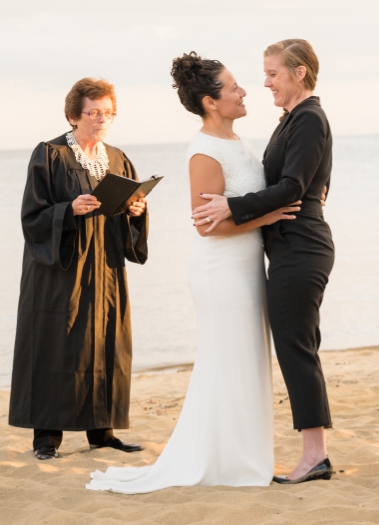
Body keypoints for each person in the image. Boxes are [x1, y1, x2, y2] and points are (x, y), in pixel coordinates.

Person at [88, 54, 300, 494]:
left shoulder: (237, 142)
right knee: (228, 361)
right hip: (221, 270)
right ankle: (229, 464)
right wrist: (270, 215)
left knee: (244, 362)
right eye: (233, 88)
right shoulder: (204, 151)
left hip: (245, 266)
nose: (244, 92)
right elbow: (207, 224)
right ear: (210, 101)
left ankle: (242, 460)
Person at [192, 39, 336, 484]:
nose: (265, 82)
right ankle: (315, 452)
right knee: (296, 345)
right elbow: (303, 183)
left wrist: (233, 208)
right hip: (290, 246)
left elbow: (293, 186)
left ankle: (315, 454)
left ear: (299, 73)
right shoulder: (293, 119)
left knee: (296, 348)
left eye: (272, 73)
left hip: (301, 247)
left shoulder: (309, 118)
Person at [9, 78, 148, 460]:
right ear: (74, 115)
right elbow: (31, 216)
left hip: (105, 264)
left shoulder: (118, 158)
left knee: (105, 342)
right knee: (56, 343)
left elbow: (125, 210)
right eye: (94, 112)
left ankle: (101, 433)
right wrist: (67, 210)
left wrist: (136, 211)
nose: (102, 119)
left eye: (108, 112)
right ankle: (46, 439)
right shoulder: (50, 154)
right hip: (60, 267)